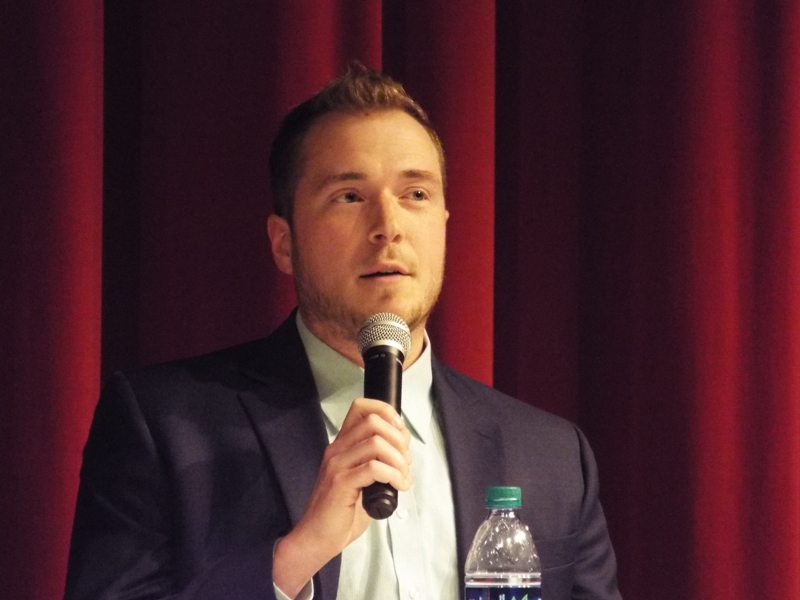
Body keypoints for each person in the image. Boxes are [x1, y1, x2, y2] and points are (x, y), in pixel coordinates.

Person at [65, 64, 622, 600]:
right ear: (285, 243)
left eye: (416, 194)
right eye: (349, 197)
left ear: (444, 226)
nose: (389, 227)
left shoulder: (551, 456)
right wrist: (296, 557)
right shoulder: (164, 426)